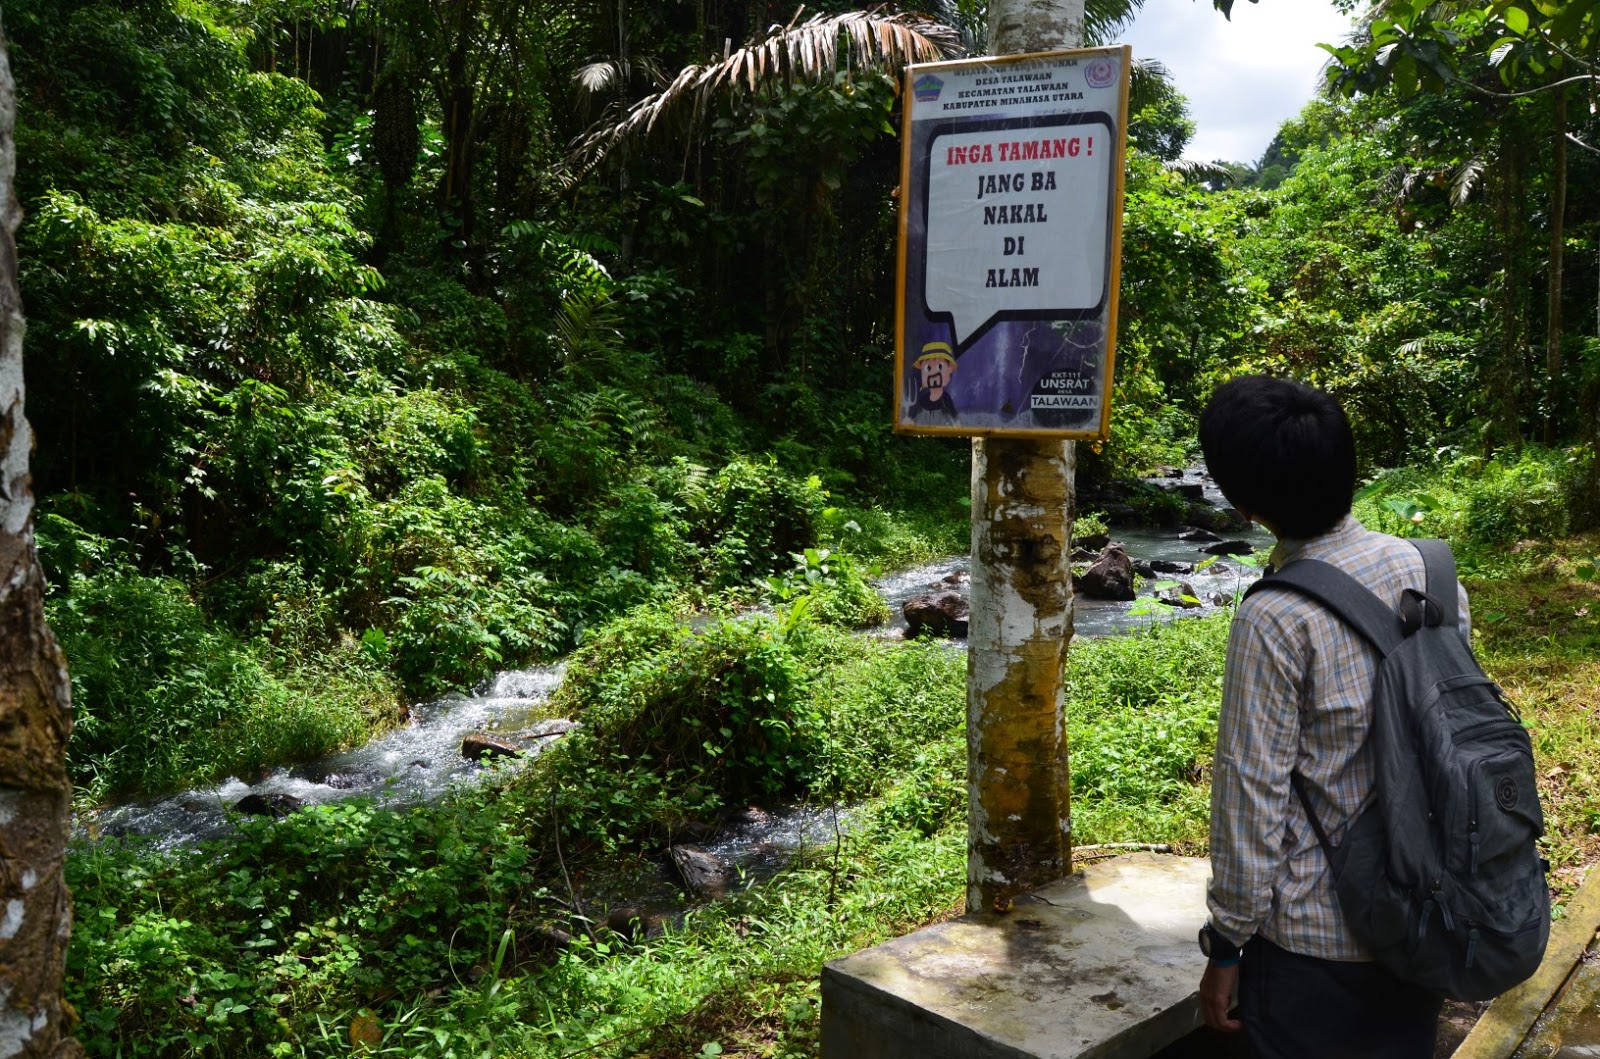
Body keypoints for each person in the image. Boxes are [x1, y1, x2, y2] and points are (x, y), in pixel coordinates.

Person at [1195, 376, 1457, 1059]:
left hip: (1316, 942)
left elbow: (1251, 797)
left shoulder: (1274, 617)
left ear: (1245, 505)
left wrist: (1226, 943)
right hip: (1426, 909)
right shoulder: (1429, 569)